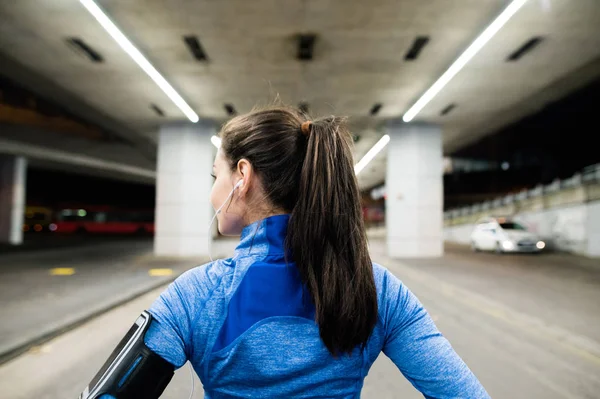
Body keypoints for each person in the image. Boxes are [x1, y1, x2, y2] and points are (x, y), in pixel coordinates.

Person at [80, 106, 490, 398]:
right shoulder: (378, 290)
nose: (212, 193)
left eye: (215, 176)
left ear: (242, 175)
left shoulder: (194, 296)